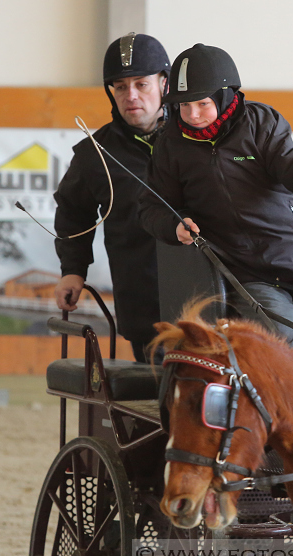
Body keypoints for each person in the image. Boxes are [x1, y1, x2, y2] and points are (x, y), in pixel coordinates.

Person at [139, 43, 293, 355]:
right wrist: (173, 225)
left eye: (202, 104)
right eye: (183, 106)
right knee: (284, 349)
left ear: (224, 96)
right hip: (250, 277)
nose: (192, 115)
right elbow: (151, 207)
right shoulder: (169, 147)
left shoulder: (261, 124)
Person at [53, 33, 170, 363]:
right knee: (154, 407)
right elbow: (73, 211)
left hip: (206, 302)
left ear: (164, 83)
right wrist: (72, 270)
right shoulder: (95, 154)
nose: (130, 95)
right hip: (143, 305)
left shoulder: (196, 138)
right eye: (120, 87)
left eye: (141, 84)